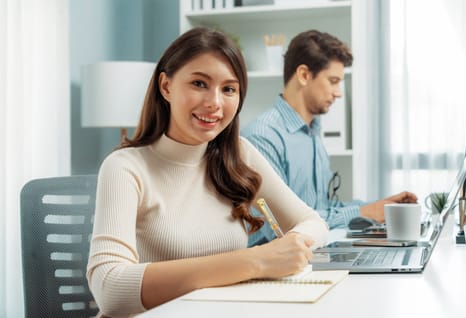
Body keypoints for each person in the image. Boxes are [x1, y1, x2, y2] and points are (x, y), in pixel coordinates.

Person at [86, 27, 328, 317]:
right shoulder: (125, 167)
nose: (214, 102)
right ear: (166, 86)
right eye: (199, 83)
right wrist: (255, 261)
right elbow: (110, 289)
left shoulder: (239, 154)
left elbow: (313, 222)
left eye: (228, 89)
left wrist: (290, 245)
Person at [241, 30, 417, 245]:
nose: (339, 93)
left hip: (310, 253)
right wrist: (364, 212)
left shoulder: (312, 132)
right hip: (276, 265)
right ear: (304, 75)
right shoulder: (263, 137)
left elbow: (321, 210)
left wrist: (381, 206)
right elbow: (280, 227)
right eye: (333, 81)